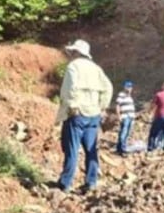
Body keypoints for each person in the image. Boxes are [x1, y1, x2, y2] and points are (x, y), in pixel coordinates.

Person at [55, 39, 113, 192]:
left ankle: (65, 183)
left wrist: (73, 105)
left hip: (77, 113)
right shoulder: (96, 68)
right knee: (91, 149)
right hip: (94, 114)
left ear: (76, 52)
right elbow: (108, 87)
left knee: (72, 149)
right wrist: (102, 106)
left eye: (72, 52)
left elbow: (70, 88)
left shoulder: (73, 66)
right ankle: (91, 182)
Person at [114, 81, 136, 155]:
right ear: (124, 87)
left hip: (131, 117)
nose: (129, 88)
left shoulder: (129, 97)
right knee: (123, 132)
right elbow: (117, 106)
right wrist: (118, 116)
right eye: (127, 87)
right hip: (125, 116)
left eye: (130, 87)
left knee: (127, 133)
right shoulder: (121, 95)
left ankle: (120, 148)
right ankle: (122, 149)